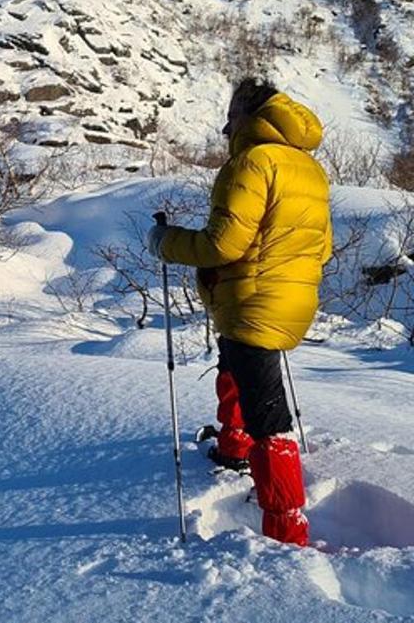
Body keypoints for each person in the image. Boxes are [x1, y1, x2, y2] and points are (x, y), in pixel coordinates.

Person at [147, 77, 332, 547]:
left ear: (248, 116)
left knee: (269, 416)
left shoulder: (251, 163)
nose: (224, 127)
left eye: (230, 117)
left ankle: (286, 526)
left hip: (253, 298)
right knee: (237, 366)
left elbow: (221, 244)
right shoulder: (307, 168)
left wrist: (165, 243)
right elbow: (323, 248)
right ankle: (233, 447)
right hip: (293, 295)